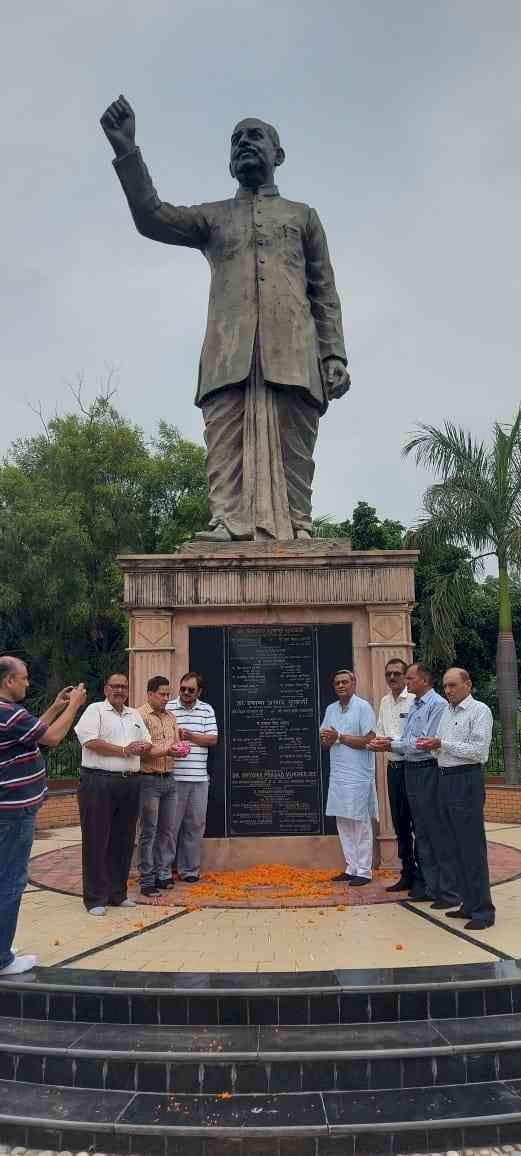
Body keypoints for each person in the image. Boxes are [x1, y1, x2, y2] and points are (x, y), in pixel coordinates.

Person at [100, 98, 350, 543]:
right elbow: (153, 217)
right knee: (225, 445)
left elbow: (324, 290)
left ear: (279, 154)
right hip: (228, 355)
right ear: (228, 161)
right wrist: (127, 151)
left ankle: (298, 525)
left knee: (296, 450)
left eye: (255, 136)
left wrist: (333, 354)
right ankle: (227, 521)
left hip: (293, 353)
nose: (244, 143)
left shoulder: (302, 216)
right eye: (235, 140)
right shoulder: (214, 217)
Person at [0, 657, 86, 975]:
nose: (27, 682)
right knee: (10, 882)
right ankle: (3, 960)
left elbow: (34, 731)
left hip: (11, 812)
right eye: (23, 678)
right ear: (8, 681)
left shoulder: (10, 715)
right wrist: (73, 705)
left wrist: (54, 706)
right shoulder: (7, 713)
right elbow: (50, 738)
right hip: (13, 813)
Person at [369, 662, 459, 908]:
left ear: (424, 680)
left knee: (432, 831)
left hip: (427, 769)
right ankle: (429, 886)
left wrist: (390, 744)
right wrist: (388, 743)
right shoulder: (415, 704)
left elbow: (423, 743)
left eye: (409, 678)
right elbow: (409, 739)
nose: (405, 682)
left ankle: (446, 890)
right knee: (418, 829)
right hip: (408, 769)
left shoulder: (437, 705)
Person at [417, 667, 495, 930]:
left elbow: (478, 751)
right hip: (444, 778)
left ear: (468, 685)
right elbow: (442, 747)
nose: (447, 691)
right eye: (445, 686)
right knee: (452, 845)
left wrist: (442, 744)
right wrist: (434, 746)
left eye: (452, 686)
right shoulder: (446, 713)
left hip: (466, 780)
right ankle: (468, 903)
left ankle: (484, 911)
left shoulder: (480, 711)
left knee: (472, 847)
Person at [75, 673, 153, 916]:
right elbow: (89, 741)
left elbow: (146, 743)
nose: (120, 690)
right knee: (97, 840)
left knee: (124, 840)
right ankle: (95, 898)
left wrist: (143, 747)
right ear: (106, 688)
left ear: (128, 690)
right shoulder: (95, 710)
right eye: (115, 686)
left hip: (129, 782)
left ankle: (117, 894)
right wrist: (124, 750)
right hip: (98, 781)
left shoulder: (135, 715)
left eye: (124, 687)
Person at [320, 669, 377, 886]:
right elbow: (325, 741)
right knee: (343, 822)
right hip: (338, 776)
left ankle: (364, 871)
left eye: (345, 682)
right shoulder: (331, 709)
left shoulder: (363, 707)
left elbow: (369, 739)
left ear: (354, 684)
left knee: (359, 823)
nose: (341, 686)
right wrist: (328, 739)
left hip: (359, 776)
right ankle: (351, 867)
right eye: (337, 683)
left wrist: (339, 737)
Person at [137, 675, 191, 898]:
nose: (166, 698)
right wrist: (167, 750)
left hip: (170, 778)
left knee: (167, 831)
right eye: (162, 694)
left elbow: (173, 743)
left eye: (168, 694)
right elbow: (143, 749)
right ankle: (147, 879)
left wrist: (179, 748)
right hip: (148, 779)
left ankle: (163, 874)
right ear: (150, 694)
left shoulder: (170, 716)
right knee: (149, 831)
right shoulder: (139, 716)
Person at [166, 672, 218, 882]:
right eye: (183, 689)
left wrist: (190, 736)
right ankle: (165, 870)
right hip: (174, 778)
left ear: (199, 692)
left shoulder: (206, 709)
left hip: (199, 779)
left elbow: (213, 739)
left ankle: (189, 870)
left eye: (191, 690)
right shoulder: (168, 708)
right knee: (170, 827)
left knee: (195, 826)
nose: (186, 693)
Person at [376, 658, 418, 892]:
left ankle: (422, 876)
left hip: (411, 767)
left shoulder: (414, 701)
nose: (392, 678)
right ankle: (407, 873)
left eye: (396, 674)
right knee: (399, 824)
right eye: (388, 674)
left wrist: (392, 743)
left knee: (416, 823)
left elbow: (413, 738)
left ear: (405, 676)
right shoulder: (384, 701)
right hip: (393, 768)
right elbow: (381, 730)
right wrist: (380, 742)